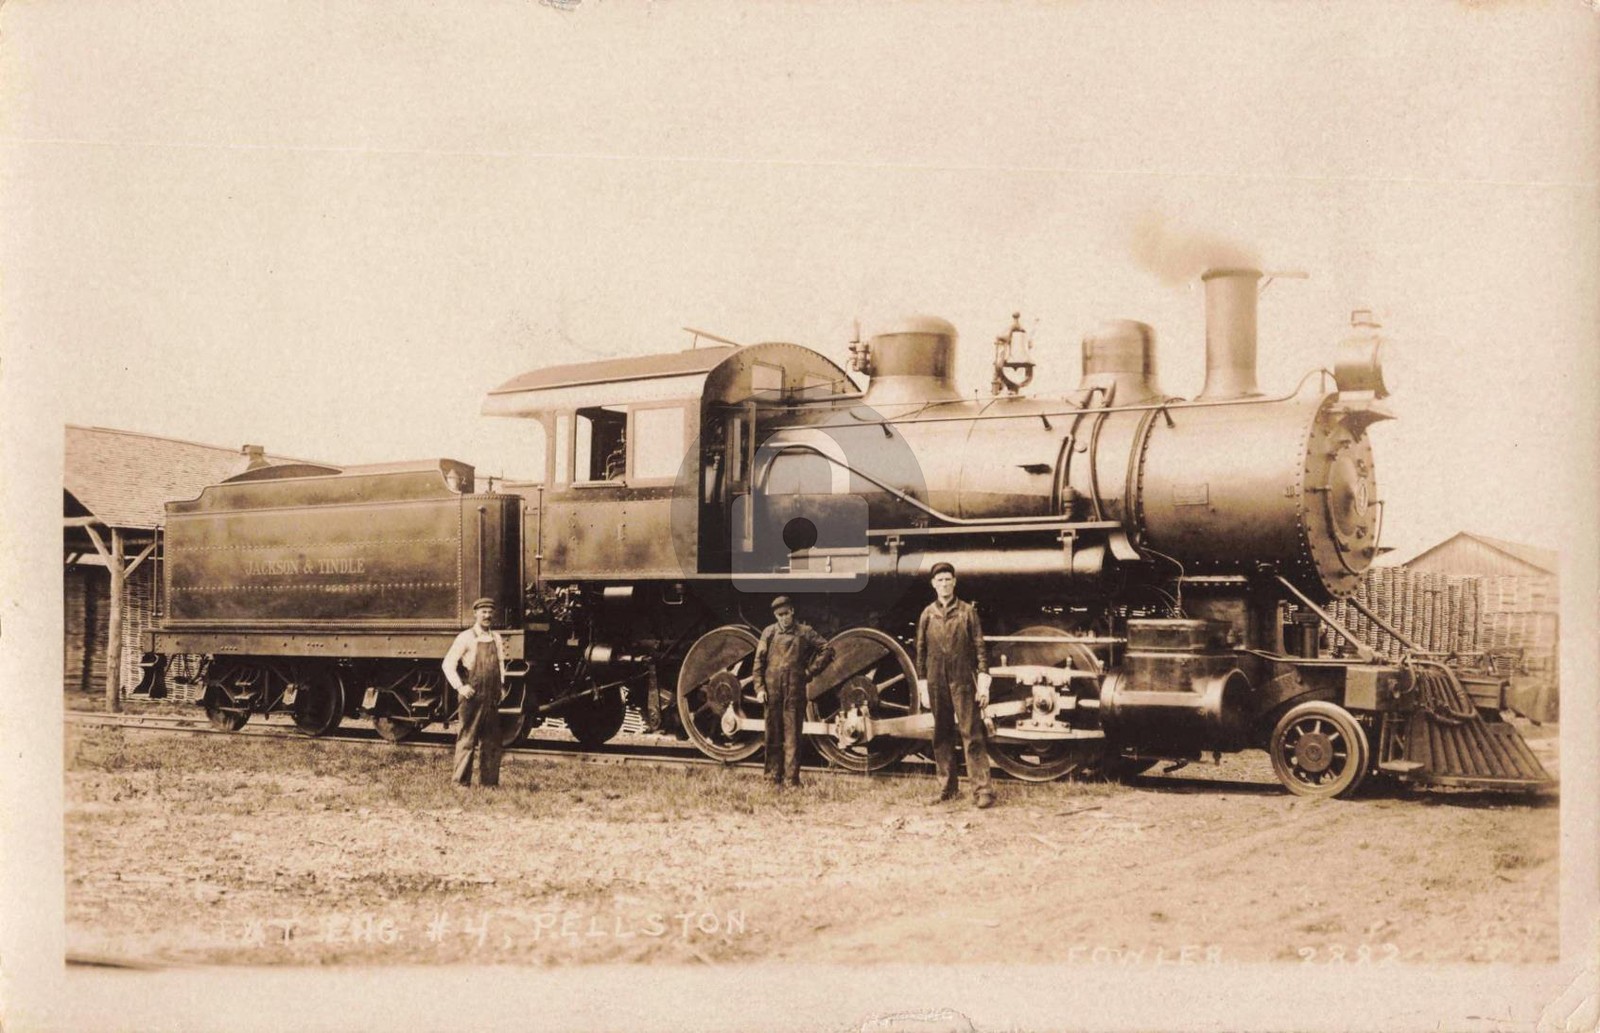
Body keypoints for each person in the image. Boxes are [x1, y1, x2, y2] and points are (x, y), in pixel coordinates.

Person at [915, 562, 996, 808]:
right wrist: (921, 684)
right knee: (941, 735)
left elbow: (980, 647)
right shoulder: (927, 614)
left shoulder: (967, 612)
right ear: (933, 584)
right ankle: (947, 788)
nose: (944, 584)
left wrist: (983, 681)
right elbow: (920, 650)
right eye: (939, 580)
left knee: (971, 734)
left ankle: (983, 791)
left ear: (954, 582)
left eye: (948, 579)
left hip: (962, 680)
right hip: (936, 681)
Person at [752, 595, 834, 788]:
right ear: (775, 615)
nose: (783, 618)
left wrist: (809, 672)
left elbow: (827, 649)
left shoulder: (805, 632)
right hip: (772, 691)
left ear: (792, 612)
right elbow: (759, 662)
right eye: (779, 615)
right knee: (772, 735)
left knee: (792, 737)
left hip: (794, 691)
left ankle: (791, 780)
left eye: (786, 614)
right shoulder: (768, 633)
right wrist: (759, 688)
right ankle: (772, 778)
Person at [442, 597, 506, 787]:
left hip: (492, 697)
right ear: (475, 614)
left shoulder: (496, 638)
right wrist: (460, 687)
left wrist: (501, 686)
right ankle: (460, 783)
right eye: (483, 612)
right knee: (467, 739)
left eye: (489, 612)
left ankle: (489, 784)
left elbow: (501, 663)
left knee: (492, 742)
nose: (487, 616)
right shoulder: (465, 637)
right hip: (472, 695)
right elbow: (448, 664)